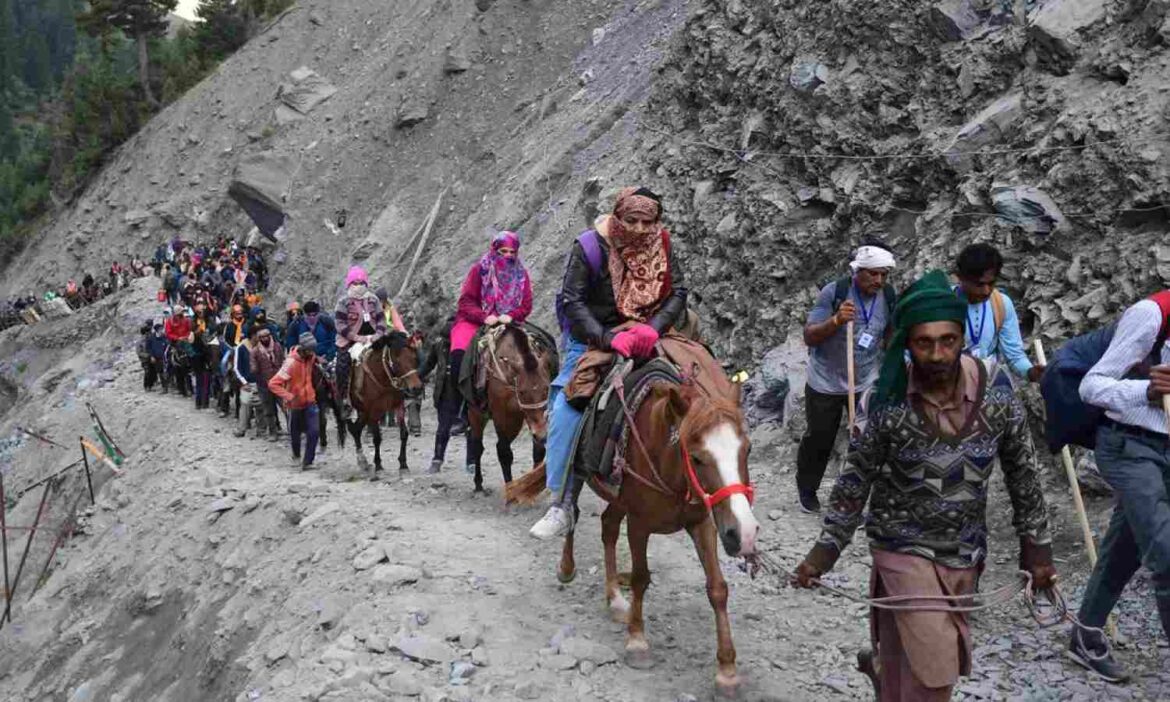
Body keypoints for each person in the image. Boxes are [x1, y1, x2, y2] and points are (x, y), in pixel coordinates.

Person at [792, 270, 1056, 702]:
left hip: (965, 549)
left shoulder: (997, 395)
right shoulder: (887, 401)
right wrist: (824, 553)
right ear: (906, 345)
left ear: (961, 339)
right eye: (923, 343)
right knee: (936, 671)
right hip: (902, 545)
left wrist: (1037, 547)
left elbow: (1023, 472)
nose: (937, 354)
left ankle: (883, 675)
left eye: (948, 340)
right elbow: (855, 480)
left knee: (912, 659)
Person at [530, 188, 687, 539]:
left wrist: (653, 328)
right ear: (618, 217)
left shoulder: (663, 242)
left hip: (652, 332)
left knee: (700, 384)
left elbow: (677, 292)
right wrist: (608, 337)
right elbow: (573, 301)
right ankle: (564, 503)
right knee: (570, 406)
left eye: (648, 221)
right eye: (632, 220)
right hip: (595, 337)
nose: (640, 228)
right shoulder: (588, 247)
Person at [1070, 294, 1170, 682]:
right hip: (1130, 447)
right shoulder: (1151, 316)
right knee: (1165, 554)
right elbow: (1091, 386)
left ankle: (1085, 634)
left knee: (1125, 547)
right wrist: (1145, 390)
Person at [796, 241, 897, 514]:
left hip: (864, 380)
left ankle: (854, 499)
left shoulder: (887, 295)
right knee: (819, 438)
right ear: (858, 271)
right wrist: (837, 321)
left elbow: (888, 334)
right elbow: (810, 335)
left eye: (884, 274)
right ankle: (807, 490)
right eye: (873, 274)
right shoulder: (835, 293)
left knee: (865, 441)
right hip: (826, 380)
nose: (879, 280)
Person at [449, 230, 534, 435]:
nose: (508, 255)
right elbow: (465, 301)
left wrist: (511, 316)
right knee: (459, 351)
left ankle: (539, 403)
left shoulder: (521, 274)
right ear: (494, 249)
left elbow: (526, 304)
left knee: (541, 346)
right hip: (476, 320)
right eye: (503, 251)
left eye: (512, 252)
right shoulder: (480, 270)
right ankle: (462, 409)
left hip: (509, 321)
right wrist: (483, 316)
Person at [953, 243, 1043, 382]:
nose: (986, 291)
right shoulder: (942, 305)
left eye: (991, 283)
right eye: (979, 284)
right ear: (960, 277)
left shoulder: (1001, 303)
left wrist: (1030, 372)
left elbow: (1014, 355)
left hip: (985, 383)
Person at [334, 265, 386, 418]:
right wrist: (356, 338)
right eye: (355, 283)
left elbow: (381, 319)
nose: (359, 286)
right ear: (349, 284)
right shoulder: (343, 301)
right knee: (342, 366)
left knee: (391, 358)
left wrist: (378, 334)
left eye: (361, 282)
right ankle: (344, 398)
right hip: (349, 340)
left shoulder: (373, 299)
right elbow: (340, 325)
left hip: (372, 337)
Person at [269, 332, 320, 469]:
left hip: (310, 401)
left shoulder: (311, 357)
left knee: (314, 431)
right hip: (294, 405)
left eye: (313, 350)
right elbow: (273, 383)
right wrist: (289, 396)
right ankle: (296, 456)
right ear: (302, 349)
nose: (312, 353)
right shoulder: (290, 363)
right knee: (295, 433)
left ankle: (308, 462)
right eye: (309, 350)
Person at [419, 316, 461, 473]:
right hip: (444, 392)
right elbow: (429, 364)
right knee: (443, 429)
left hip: (463, 392)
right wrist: (416, 376)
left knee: (467, 429)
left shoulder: (468, 344)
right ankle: (437, 459)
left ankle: (470, 462)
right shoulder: (439, 345)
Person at [250, 326, 286, 441]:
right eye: (262, 337)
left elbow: (283, 361)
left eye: (267, 336)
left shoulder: (277, 347)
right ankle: (273, 432)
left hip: (279, 383)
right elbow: (253, 368)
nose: (265, 339)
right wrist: (254, 368)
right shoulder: (255, 351)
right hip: (264, 384)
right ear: (259, 338)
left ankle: (294, 429)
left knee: (286, 407)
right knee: (268, 409)